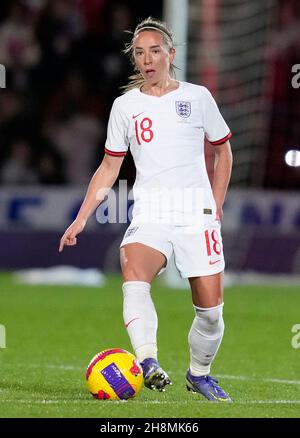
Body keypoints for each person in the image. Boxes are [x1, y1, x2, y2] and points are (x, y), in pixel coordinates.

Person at [59, 17, 233, 402]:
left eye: (155, 51)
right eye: (139, 52)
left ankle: (199, 374)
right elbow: (109, 167)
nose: (147, 59)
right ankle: (148, 361)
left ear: (170, 54)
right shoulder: (125, 106)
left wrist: (216, 204)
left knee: (210, 315)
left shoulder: (198, 97)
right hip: (150, 212)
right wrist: (82, 216)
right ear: (134, 59)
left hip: (195, 215)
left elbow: (222, 150)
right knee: (133, 271)